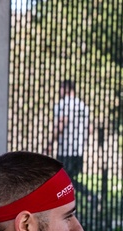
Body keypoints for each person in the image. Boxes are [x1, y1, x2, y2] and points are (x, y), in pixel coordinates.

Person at [49, 79, 97, 209]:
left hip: (66, 149)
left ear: (65, 88)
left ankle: (86, 197)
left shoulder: (63, 105)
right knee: (70, 179)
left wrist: (50, 142)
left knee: (64, 180)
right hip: (79, 150)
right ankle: (87, 198)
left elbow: (61, 123)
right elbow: (90, 128)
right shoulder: (83, 106)